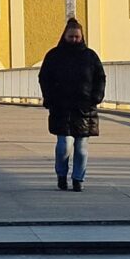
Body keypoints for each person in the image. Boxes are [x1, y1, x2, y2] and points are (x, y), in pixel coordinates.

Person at [38, 18, 106, 192]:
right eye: (71, 36)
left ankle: (78, 179)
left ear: (81, 36)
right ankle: (61, 174)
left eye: (77, 37)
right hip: (61, 107)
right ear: (64, 36)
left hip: (84, 107)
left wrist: (96, 96)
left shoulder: (90, 56)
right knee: (64, 145)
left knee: (82, 147)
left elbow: (100, 77)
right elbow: (44, 77)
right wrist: (49, 97)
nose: (74, 39)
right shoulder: (54, 55)